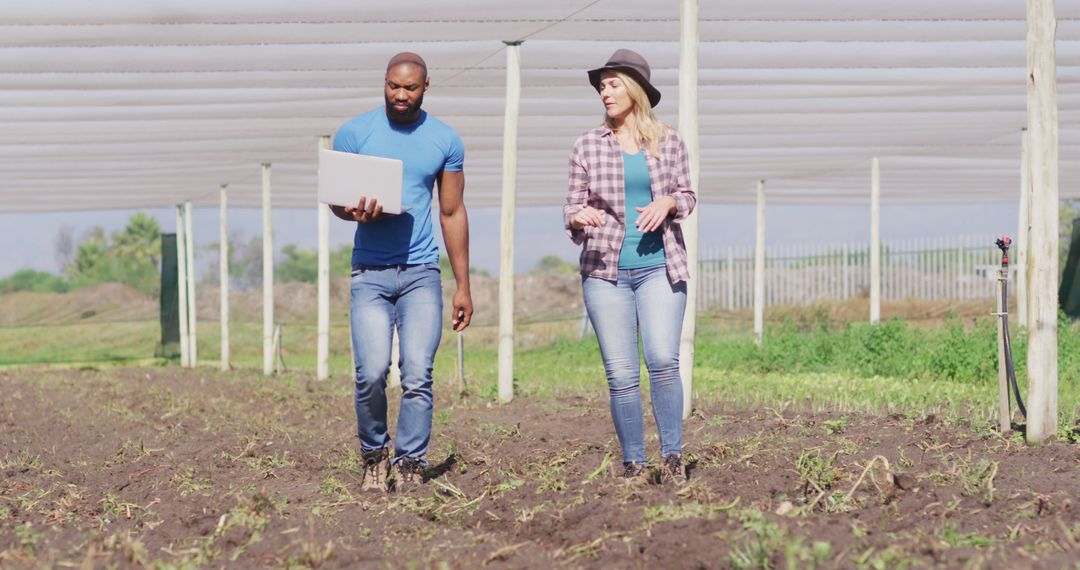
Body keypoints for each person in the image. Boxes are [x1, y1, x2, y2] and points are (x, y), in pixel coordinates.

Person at [330, 52, 472, 492]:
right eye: (394, 86)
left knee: (417, 373)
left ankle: (410, 462)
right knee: (370, 371)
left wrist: (463, 285)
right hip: (369, 273)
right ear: (384, 83)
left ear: (426, 87)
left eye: (410, 88)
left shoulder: (445, 139)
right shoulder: (355, 132)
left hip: (420, 273)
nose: (401, 95)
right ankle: (374, 454)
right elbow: (337, 201)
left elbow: (451, 212)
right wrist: (355, 213)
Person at [563, 49, 697, 484]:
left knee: (661, 358)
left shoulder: (670, 141)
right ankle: (634, 463)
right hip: (606, 273)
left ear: (635, 89)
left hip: (660, 265)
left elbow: (688, 195)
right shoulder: (587, 145)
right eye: (602, 86)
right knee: (621, 373)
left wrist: (670, 201)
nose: (605, 92)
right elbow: (571, 206)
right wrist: (578, 216)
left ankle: (672, 457)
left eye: (613, 83)